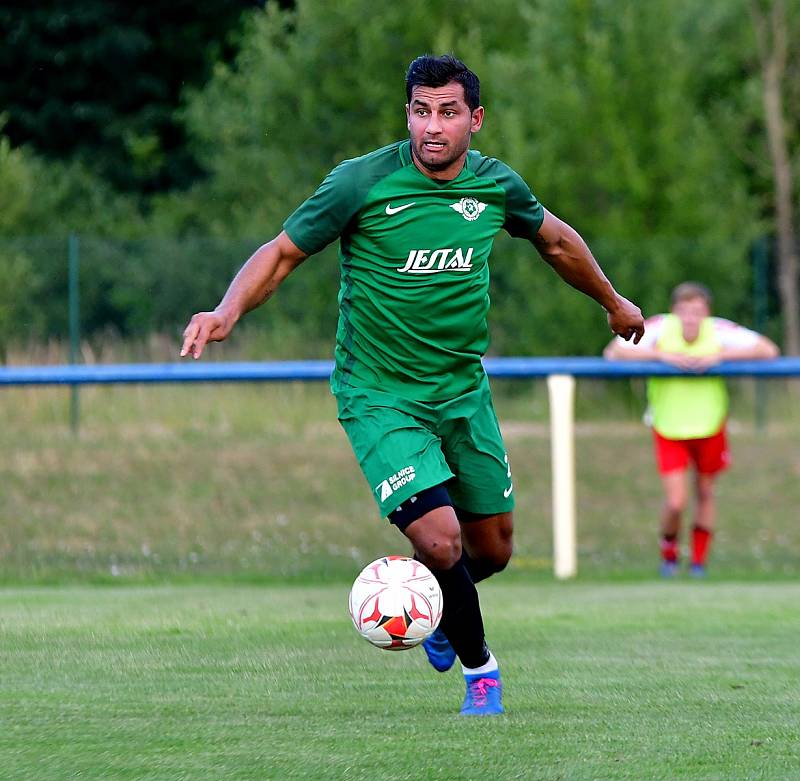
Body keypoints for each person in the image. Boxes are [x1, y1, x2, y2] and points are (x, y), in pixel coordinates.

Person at [181, 54, 644, 716]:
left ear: (475, 120)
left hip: (462, 392)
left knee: (494, 549)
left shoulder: (495, 187)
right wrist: (227, 310)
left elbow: (559, 242)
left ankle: (434, 606)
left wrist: (613, 299)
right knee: (439, 536)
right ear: (408, 114)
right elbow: (283, 251)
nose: (433, 126)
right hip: (379, 394)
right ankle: (481, 670)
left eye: (448, 112)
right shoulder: (361, 182)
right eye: (421, 111)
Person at [603, 281, 779, 578]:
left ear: (706, 312)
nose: (691, 317)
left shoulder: (719, 331)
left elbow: (768, 350)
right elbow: (614, 352)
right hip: (669, 427)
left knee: (706, 493)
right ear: (675, 311)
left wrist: (720, 357)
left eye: (697, 311)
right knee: (676, 501)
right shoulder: (659, 329)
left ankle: (699, 563)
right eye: (685, 311)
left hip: (709, 425)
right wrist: (662, 357)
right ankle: (669, 555)